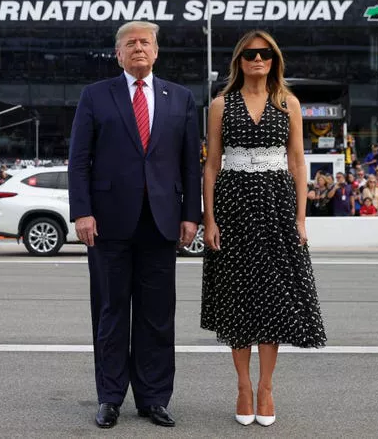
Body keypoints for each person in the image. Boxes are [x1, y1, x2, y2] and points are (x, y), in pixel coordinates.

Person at [68, 21, 201, 429]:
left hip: (161, 223)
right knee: (110, 313)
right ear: (119, 53)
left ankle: (154, 398)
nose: (139, 48)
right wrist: (82, 212)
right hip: (107, 224)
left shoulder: (180, 97)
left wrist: (191, 214)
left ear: (157, 52)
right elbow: (79, 159)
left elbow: (189, 165)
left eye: (146, 42)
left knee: (157, 316)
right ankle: (110, 397)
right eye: (131, 43)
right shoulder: (95, 96)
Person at [201, 30, 326, 428]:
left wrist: (301, 219)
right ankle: (242, 385)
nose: (258, 60)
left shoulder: (288, 102)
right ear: (239, 60)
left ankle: (267, 387)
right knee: (238, 299)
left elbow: (298, 162)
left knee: (272, 300)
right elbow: (212, 165)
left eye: (266, 54)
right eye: (251, 54)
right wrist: (210, 218)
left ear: (274, 60)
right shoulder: (221, 105)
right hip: (233, 207)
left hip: (276, 208)